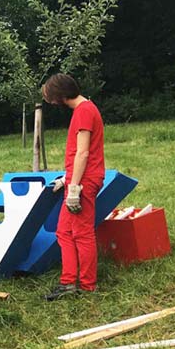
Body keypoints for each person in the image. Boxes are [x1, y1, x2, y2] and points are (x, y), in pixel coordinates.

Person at [41, 73, 105, 300]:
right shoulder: (83, 110)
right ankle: (68, 282)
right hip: (77, 179)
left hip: (84, 181)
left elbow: (83, 152)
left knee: (82, 233)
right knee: (64, 232)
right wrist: (66, 180)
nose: (52, 103)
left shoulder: (85, 111)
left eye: (51, 98)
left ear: (59, 95)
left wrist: (75, 187)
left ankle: (88, 286)